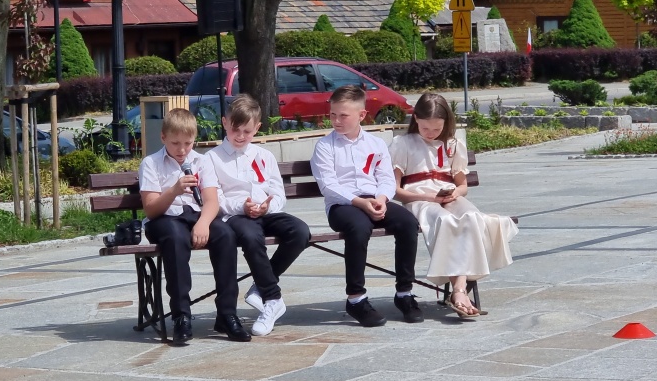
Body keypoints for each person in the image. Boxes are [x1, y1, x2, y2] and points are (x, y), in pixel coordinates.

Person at [388, 93, 517, 318]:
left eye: (437, 129)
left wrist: (455, 193)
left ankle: (459, 289)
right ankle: (460, 291)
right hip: (419, 199)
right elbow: (395, 191)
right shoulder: (403, 144)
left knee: (472, 217)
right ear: (415, 118)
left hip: (448, 196)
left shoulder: (453, 144)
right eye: (426, 128)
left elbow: (462, 186)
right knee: (445, 220)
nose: (431, 133)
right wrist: (430, 197)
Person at [310, 84, 423, 327]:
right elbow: (328, 185)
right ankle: (356, 298)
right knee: (359, 227)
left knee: (407, 223)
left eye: (343, 115)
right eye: (333, 114)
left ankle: (404, 293)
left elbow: (386, 179)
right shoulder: (325, 146)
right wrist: (359, 202)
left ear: (361, 115)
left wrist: (382, 199)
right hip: (343, 205)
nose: (336, 120)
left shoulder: (376, 144)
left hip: (374, 199)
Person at [139, 108, 251, 345]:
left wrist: (203, 223)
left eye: (188, 143)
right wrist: (174, 190)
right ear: (163, 137)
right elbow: (151, 209)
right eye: (175, 143)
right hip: (164, 218)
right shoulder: (151, 163)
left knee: (225, 235)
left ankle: (227, 313)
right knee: (175, 238)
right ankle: (181, 315)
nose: (182, 150)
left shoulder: (201, 161)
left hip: (195, 215)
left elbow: (211, 201)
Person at [207, 94, 310, 336]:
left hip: (266, 211)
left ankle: (261, 286)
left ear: (257, 128)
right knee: (250, 236)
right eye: (235, 130)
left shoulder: (264, 156)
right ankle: (273, 298)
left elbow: (278, 193)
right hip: (236, 215)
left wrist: (267, 206)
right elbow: (216, 198)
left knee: (300, 231)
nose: (240, 136)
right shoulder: (212, 158)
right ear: (224, 123)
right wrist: (242, 207)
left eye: (247, 131)